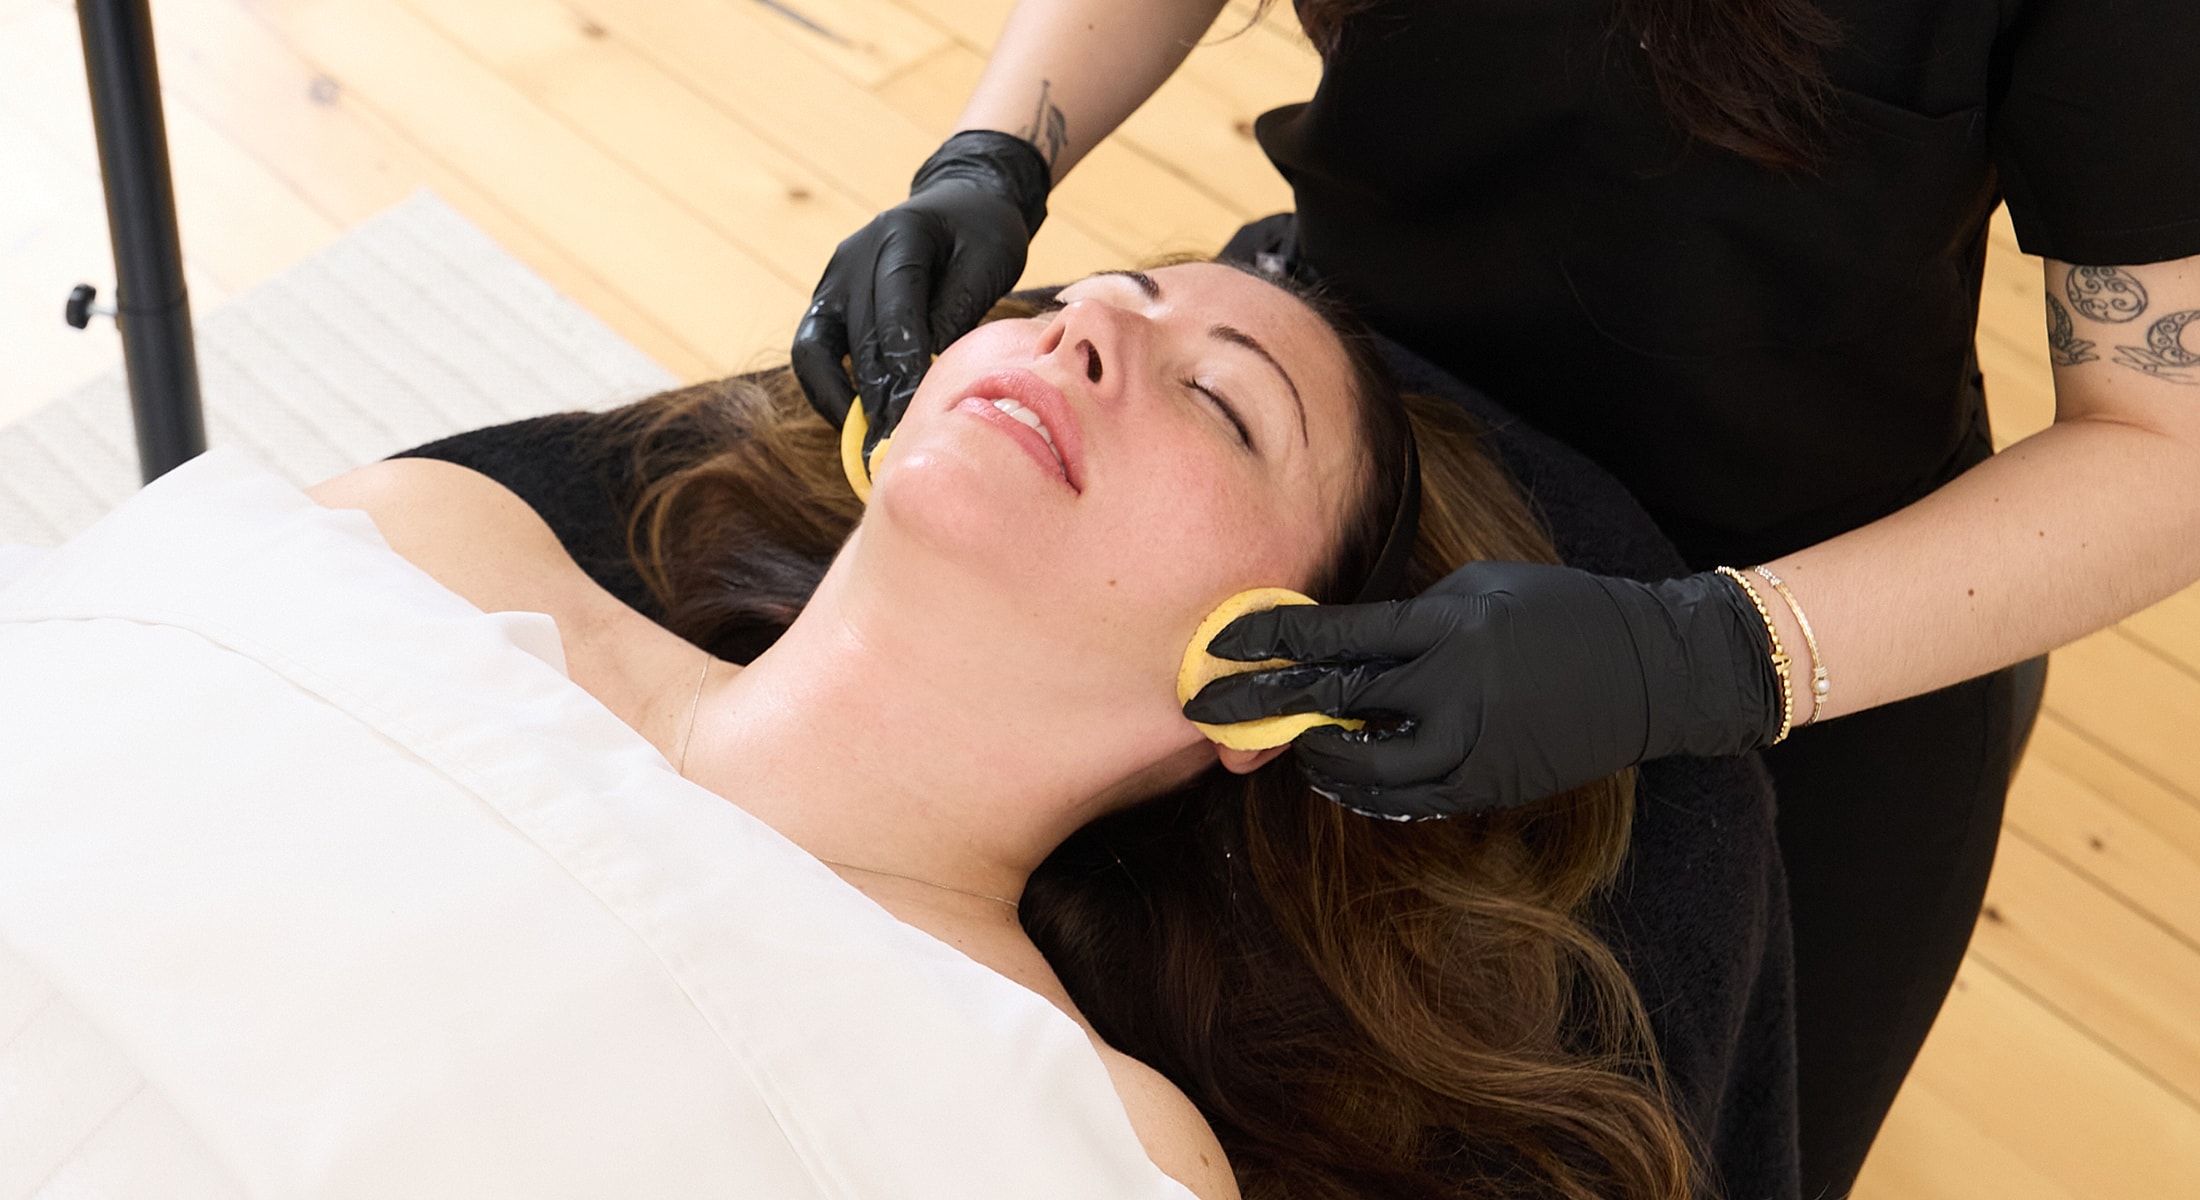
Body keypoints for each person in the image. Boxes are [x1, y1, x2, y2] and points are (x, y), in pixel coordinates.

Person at [789, 2, 2200, 1193]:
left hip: (1818, 598)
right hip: (1351, 381)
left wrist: (1703, 658)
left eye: (1206, 384)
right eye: (1105, 298)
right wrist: (995, 152)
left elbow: (2169, 444)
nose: (1084, 320)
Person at [302, 261, 1715, 1198]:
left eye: (1221, 400)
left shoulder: (1099, 1142)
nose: (1082, 332)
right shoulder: (435, 540)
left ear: (1282, 681)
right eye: (1068, 299)